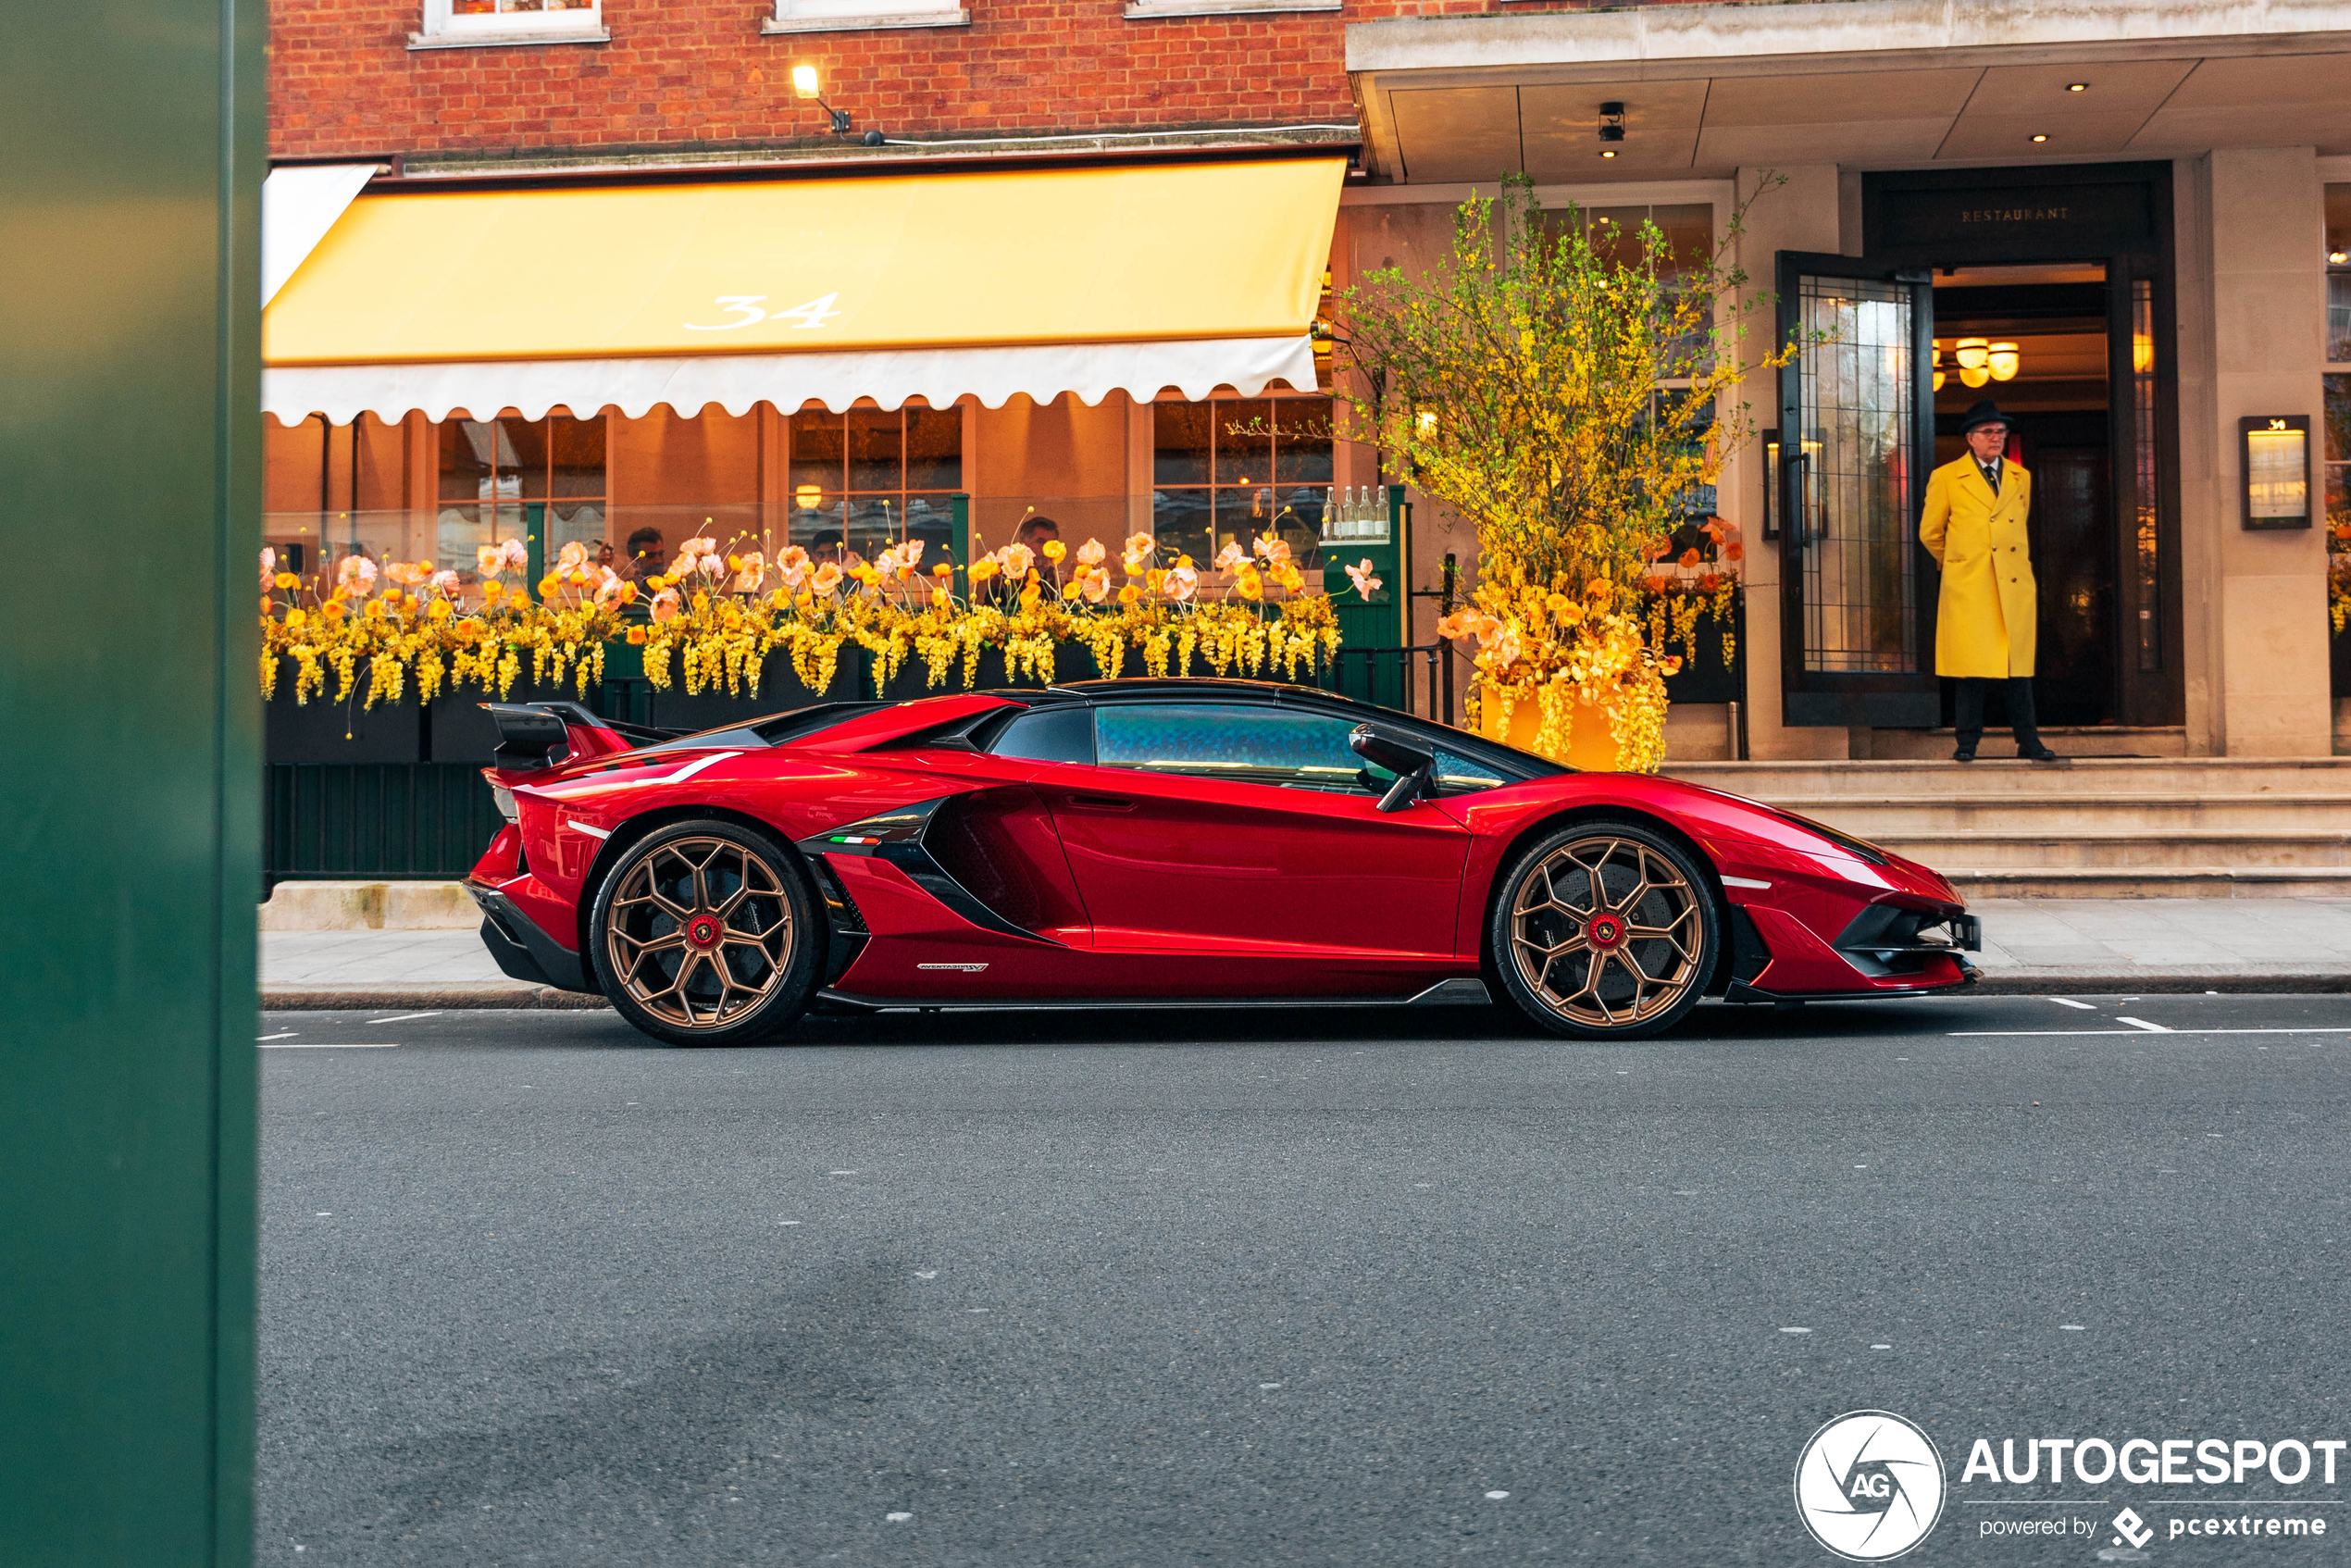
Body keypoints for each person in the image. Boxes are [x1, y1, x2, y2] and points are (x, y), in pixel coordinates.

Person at [1919, 400, 2059, 763]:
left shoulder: (2019, 476)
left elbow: (2017, 525)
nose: (1996, 437)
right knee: (1970, 670)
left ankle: (2029, 741)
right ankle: (1966, 743)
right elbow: (1930, 532)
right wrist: (1955, 561)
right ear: (1970, 438)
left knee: (2017, 671)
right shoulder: (1947, 477)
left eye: (2001, 431)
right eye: (1988, 432)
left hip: (2012, 585)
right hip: (1971, 584)